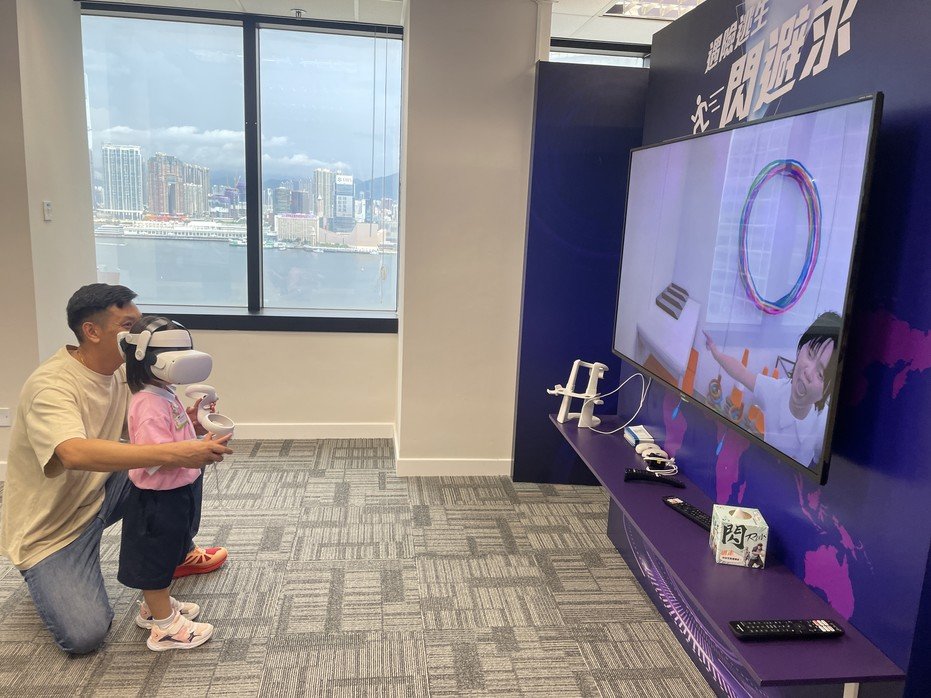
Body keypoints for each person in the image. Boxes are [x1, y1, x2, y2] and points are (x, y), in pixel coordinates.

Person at [0, 284, 232, 654]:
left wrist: (182, 425)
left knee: (185, 467)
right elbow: (73, 452)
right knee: (85, 635)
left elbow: (140, 431)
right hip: (53, 526)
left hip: (103, 489)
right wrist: (177, 450)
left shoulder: (124, 373)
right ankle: (46, 573)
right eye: (128, 326)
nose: (138, 334)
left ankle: (177, 552)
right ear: (91, 331)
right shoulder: (52, 386)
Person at [118, 315, 221, 651]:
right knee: (155, 558)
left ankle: (155, 609)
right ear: (145, 358)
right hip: (157, 499)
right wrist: (196, 451)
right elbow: (153, 454)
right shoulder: (148, 403)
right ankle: (164, 628)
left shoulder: (163, 392)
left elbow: (170, 433)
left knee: (169, 551)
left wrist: (192, 423)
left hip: (176, 490)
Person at [703, 311, 841, 467]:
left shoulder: (824, 424)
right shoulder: (774, 391)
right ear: (800, 349)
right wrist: (715, 352)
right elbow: (741, 372)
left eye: (821, 374)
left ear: (829, 391)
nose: (809, 373)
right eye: (810, 354)